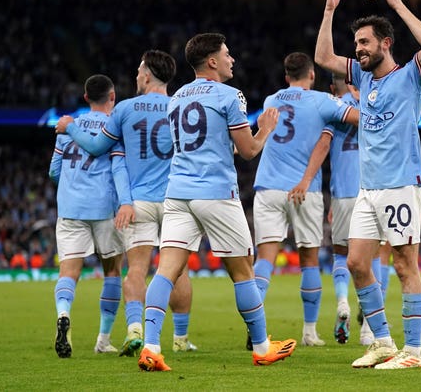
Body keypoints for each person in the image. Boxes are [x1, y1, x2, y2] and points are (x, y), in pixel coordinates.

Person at [137, 32, 296, 372]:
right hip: (215, 193)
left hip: (178, 192)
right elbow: (250, 150)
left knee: (165, 271)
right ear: (211, 61)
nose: (232, 59)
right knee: (242, 271)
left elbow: (214, 142)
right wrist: (265, 128)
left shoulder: (177, 96)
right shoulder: (229, 95)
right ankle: (263, 347)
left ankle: (151, 346)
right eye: (226, 54)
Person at [314, 0, 421, 369]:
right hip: (368, 189)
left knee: (404, 264)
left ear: (386, 43)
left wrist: (398, 5)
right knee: (355, 263)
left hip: (401, 184)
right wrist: (329, 11)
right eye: (357, 44)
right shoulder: (363, 76)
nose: (358, 50)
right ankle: (384, 343)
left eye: (365, 42)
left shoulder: (410, 77)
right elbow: (323, 59)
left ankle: (414, 352)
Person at [56, 50, 197, 357]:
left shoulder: (124, 109)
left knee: (135, 269)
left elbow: (96, 147)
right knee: (179, 270)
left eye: (138, 71)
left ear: (146, 75)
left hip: (138, 201)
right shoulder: (181, 106)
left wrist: (71, 128)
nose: (135, 76)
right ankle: (181, 338)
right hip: (176, 200)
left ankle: (135, 328)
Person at [252, 52, 358, 348]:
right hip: (305, 190)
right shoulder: (322, 100)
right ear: (312, 75)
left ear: (287, 77)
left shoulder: (270, 100)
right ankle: (309, 332)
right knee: (309, 260)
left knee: (265, 259)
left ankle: (255, 327)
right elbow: (357, 118)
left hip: (269, 187)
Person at [288, 74, 378, 346]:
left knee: (341, 254)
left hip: (343, 193)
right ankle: (369, 329)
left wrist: (315, 187)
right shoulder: (375, 106)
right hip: (374, 190)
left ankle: (342, 301)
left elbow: (325, 145)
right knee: (373, 257)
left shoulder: (334, 110)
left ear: (332, 88)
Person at [49, 74, 125, 358]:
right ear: (112, 96)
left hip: (70, 209)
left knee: (69, 271)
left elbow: (54, 172)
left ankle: (63, 313)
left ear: (85, 98)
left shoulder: (68, 126)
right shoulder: (115, 128)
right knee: (112, 271)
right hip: (105, 208)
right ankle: (103, 339)